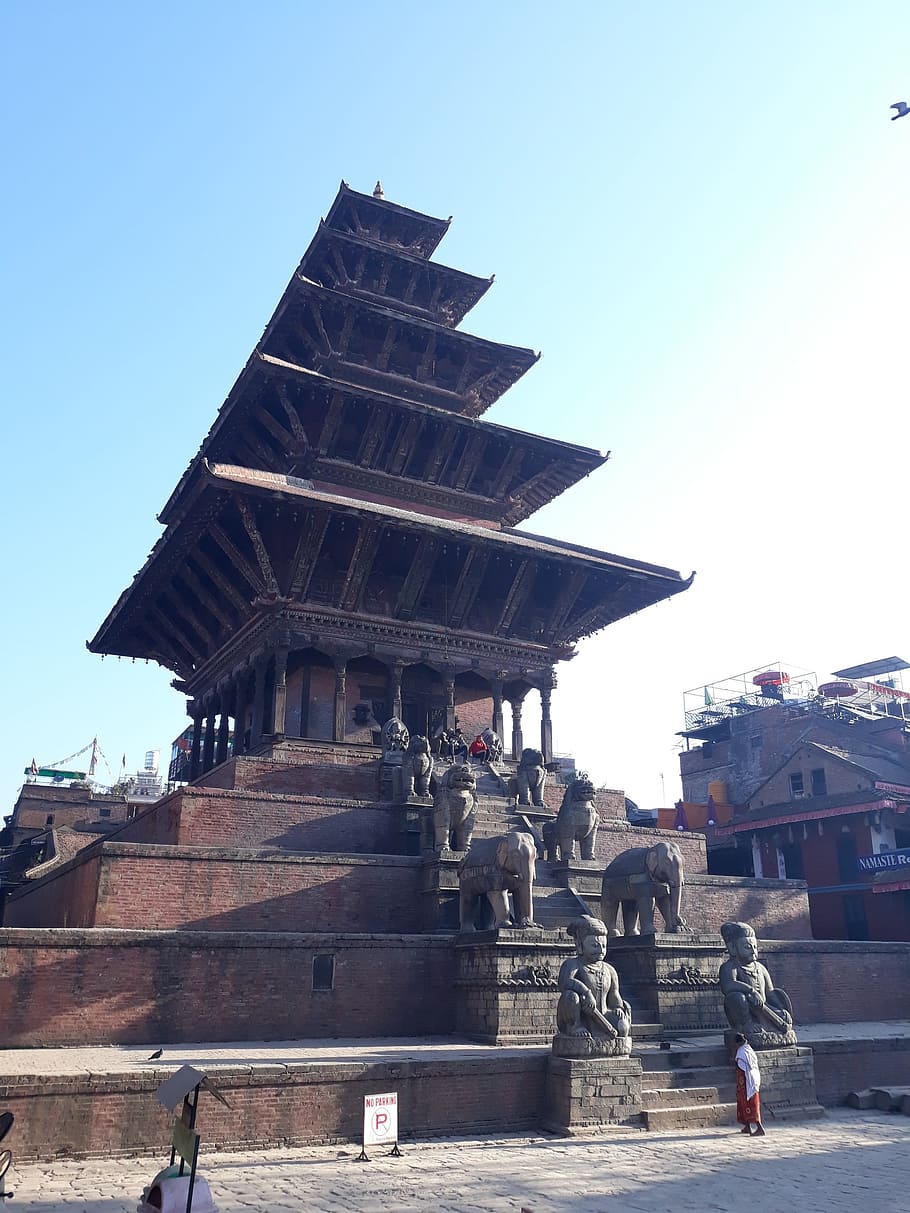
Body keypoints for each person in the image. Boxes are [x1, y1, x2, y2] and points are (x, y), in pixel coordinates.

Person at [734, 1033, 765, 1136]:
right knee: (744, 1104)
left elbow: (742, 1067)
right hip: (753, 1079)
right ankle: (747, 1126)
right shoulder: (749, 1050)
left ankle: (759, 1127)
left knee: (750, 1104)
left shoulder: (741, 1052)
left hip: (746, 1082)